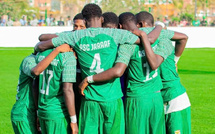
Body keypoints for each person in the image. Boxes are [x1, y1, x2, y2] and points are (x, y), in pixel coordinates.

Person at [35, 3, 149, 134]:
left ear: (84, 20)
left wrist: (60, 42)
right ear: (102, 19)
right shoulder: (115, 34)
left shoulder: (74, 36)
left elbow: (41, 43)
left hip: (90, 100)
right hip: (112, 98)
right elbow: (145, 40)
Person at [79, 12, 173, 134]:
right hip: (156, 97)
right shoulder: (162, 39)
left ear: (120, 27)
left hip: (134, 98)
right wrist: (159, 27)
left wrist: (88, 79)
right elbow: (182, 37)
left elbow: (118, 70)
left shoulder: (127, 46)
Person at [136, 11, 191, 134]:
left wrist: (176, 60)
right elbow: (183, 38)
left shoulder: (157, 35)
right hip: (161, 99)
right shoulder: (151, 37)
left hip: (174, 99)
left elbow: (184, 37)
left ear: (140, 24)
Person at [11, 44, 72, 134]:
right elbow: (36, 71)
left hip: (33, 111)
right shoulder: (29, 60)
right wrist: (56, 51)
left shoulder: (40, 60)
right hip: (23, 112)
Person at [36, 44, 78, 134]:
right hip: (57, 112)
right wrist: (73, 121)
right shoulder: (68, 57)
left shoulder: (42, 54)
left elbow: (34, 84)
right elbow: (67, 90)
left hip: (43, 109)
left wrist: (37, 111)